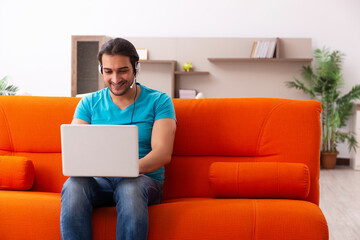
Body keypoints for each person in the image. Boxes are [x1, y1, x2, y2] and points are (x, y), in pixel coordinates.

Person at [60, 38, 177, 240]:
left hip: (142, 181)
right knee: (73, 185)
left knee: (129, 187)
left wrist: (128, 169)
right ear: (101, 70)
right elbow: (77, 151)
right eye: (108, 71)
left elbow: (162, 153)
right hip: (101, 183)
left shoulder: (159, 101)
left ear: (135, 68)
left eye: (123, 70)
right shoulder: (88, 103)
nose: (115, 78)